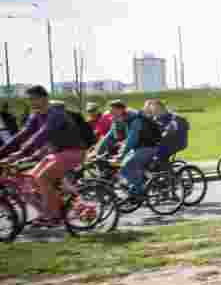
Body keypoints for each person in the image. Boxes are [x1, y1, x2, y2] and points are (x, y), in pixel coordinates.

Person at [0, 86, 88, 226]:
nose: (32, 102)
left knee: (43, 178)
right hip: (55, 153)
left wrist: (21, 153)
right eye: (30, 99)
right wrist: (3, 151)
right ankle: (47, 212)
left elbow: (42, 134)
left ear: (45, 98)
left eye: (35, 99)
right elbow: (22, 134)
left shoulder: (56, 114)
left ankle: (53, 216)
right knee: (29, 181)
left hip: (73, 152)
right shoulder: (36, 114)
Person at [95, 100, 162, 199]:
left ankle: (140, 191)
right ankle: (137, 186)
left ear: (121, 109)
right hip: (138, 147)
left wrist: (121, 154)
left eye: (113, 111)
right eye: (111, 112)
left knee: (126, 166)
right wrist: (96, 152)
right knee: (122, 166)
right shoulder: (120, 119)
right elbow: (109, 137)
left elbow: (132, 139)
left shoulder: (135, 119)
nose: (112, 114)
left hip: (148, 147)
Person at [146, 100, 189, 170]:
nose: (154, 112)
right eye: (153, 110)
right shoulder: (156, 118)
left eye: (156, 110)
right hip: (165, 142)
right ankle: (160, 172)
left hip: (177, 142)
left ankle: (169, 176)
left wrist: (164, 133)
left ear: (162, 109)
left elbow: (170, 130)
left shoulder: (174, 118)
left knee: (160, 155)